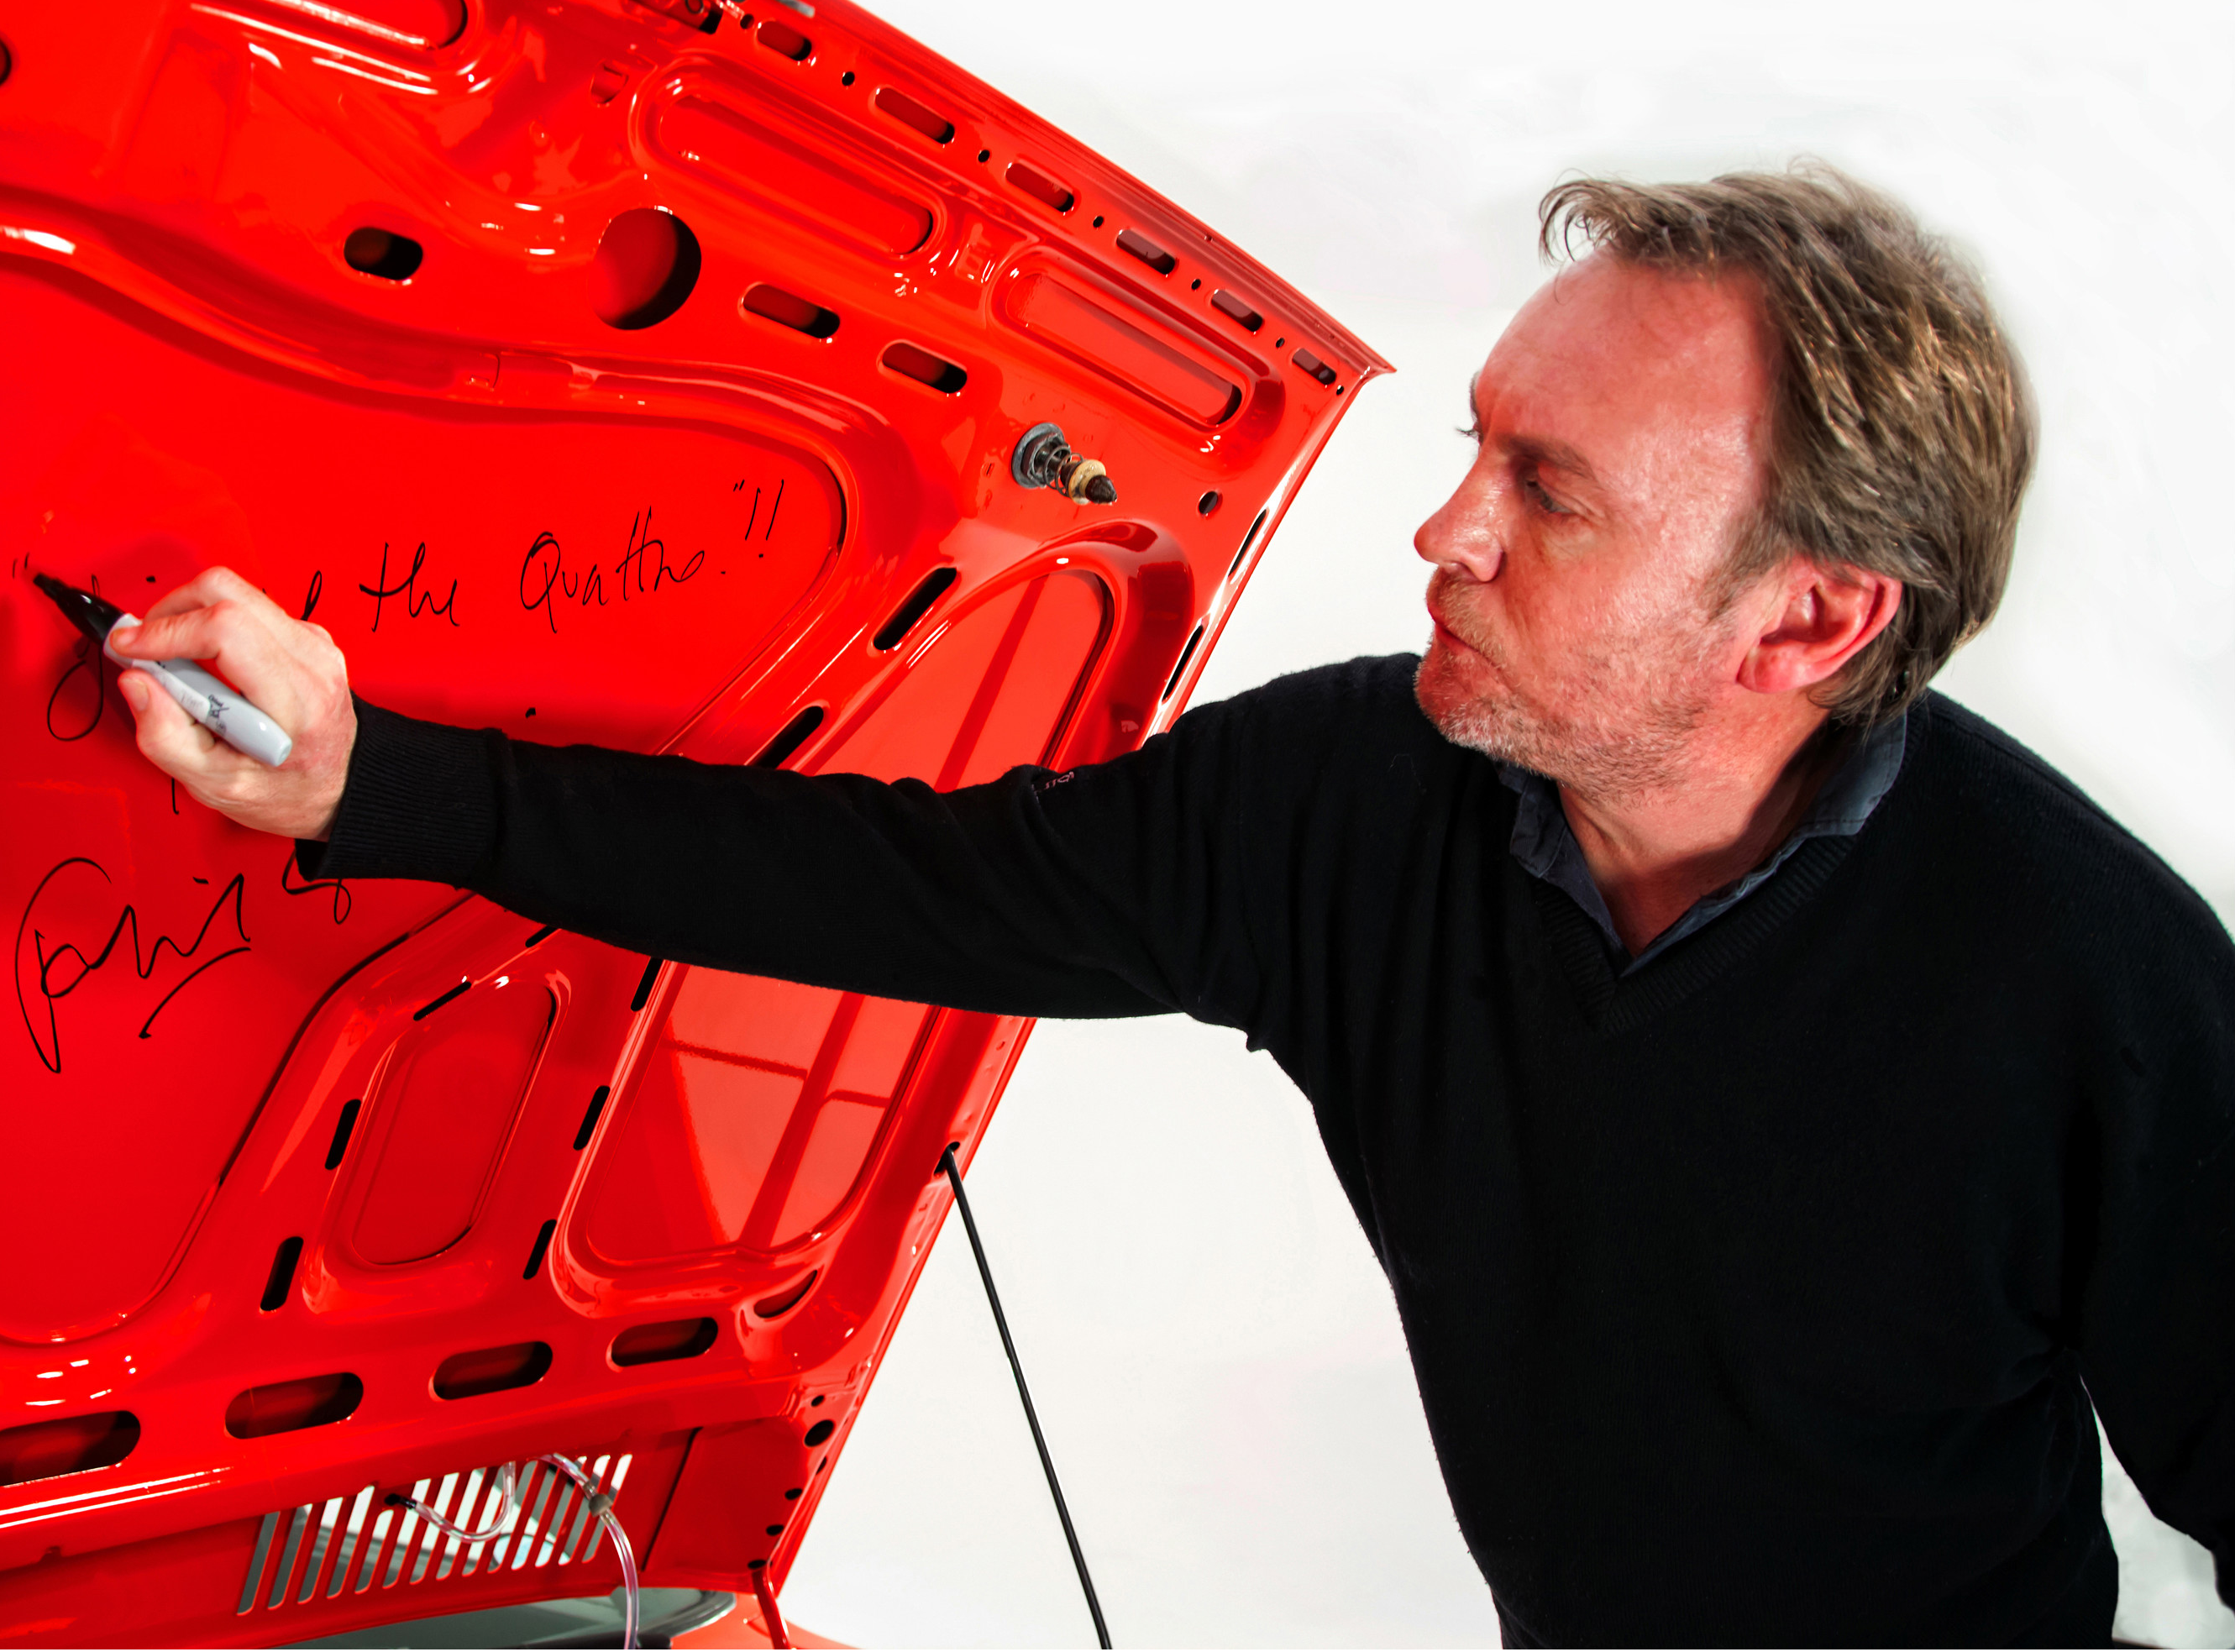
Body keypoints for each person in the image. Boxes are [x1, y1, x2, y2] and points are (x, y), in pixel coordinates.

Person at [108, 166, 2233, 1646]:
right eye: (1480, 444)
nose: (1443, 525)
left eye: (1548, 493)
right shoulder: (1352, 795)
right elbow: (885, 889)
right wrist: (375, 775)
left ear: (1808, 621)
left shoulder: (2097, 984)